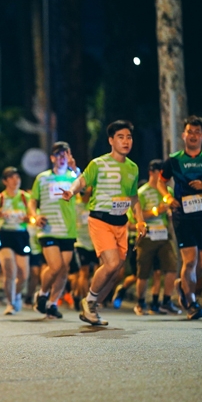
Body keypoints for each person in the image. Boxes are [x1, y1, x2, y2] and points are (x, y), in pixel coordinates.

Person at [61, 120, 147, 326]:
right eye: (121, 137)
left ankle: (92, 308)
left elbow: (133, 197)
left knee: (115, 271)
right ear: (111, 140)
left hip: (121, 223)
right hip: (100, 219)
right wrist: (71, 191)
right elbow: (81, 181)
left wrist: (141, 221)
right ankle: (89, 301)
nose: (126, 141)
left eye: (129, 137)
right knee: (112, 263)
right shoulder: (98, 163)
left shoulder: (133, 168)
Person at [157, 116, 202, 320]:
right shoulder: (174, 159)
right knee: (189, 261)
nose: (193, 136)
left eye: (197, 132)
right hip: (182, 216)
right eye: (190, 132)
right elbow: (161, 182)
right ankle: (192, 303)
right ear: (184, 135)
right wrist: (167, 197)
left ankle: (183, 286)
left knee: (201, 264)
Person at [30, 142, 79, 319]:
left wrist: (75, 168)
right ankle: (42, 293)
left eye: (65, 154)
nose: (61, 158)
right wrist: (34, 216)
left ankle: (52, 303)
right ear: (52, 158)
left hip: (67, 229)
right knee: (55, 266)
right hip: (48, 228)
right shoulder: (42, 178)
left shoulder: (74, 176)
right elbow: (32, 200)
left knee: (64, 269)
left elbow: (85, 188)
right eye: (58, 155)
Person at [131, 160, 179, 315]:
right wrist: (156, 211)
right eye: (160, 172)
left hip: (164, 235)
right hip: (147, 237)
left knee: (171, 267)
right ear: (151, 172)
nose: (163, 176)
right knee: (144, 272)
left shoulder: (167, 191)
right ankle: (140, 303)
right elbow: (136, 215)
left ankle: (165, 301)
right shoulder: (142, 192)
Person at [0, 167, 33, 315]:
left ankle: (17, 294)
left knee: (24, 275)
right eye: (11, 178)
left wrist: (28, 219)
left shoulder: (25, 197)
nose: (15, 180)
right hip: (5, 235)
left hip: (21, 235)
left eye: (17, 177)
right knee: (9, 269)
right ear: (5, 181)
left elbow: (33, 216)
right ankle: (10, 302)